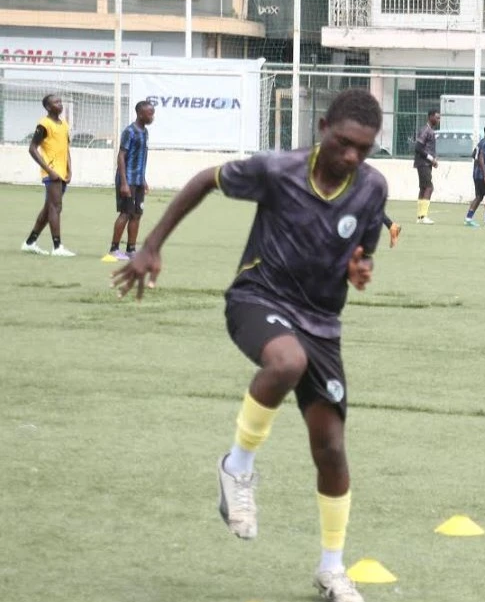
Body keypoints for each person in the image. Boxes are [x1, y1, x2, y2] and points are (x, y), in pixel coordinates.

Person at [112, 89, 390, 602]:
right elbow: (204, 181)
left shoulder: (372, 188)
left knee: (331, 449)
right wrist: (150, 246)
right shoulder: (276, 170)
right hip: (257, 298)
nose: (352, 156)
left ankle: (332, 569)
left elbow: (361, 250)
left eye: (364, 149)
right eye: (345, 143)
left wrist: (360, 265)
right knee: (286, 360)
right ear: (323, 126)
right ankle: (236, 467)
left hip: (322, 322)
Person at [21, 94, 75, 257]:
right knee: (56, 207)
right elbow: (32, 148)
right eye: (55, 102)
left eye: (60, 101)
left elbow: (66, 148)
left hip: (62, 172)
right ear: (48, 107)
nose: (60, 104)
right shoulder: (44, 124)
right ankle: (57, 247)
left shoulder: (64, 124)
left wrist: (69, 169)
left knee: (48, 210)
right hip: (51, 172)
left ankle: (30, 243)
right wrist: (49, 170)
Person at [104, 101, 155, 262]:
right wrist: (124, 183)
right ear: (140, 114)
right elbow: (121, 156)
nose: (152, 117)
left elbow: (139, 157)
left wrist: (143, 179)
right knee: (125, 213)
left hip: (138, 180)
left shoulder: (145, 132)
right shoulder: (129, 131)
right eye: (150, 114)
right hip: (127, 180)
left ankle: (131, 250)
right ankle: (113, 249)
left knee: (137, 214)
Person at [413, 109, 439, 224]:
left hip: (424, 163)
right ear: (430, 117)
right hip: (423, 163)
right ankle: (423, 216)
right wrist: (431, 159)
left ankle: (419, 217)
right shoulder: (426, 130)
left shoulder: (430, 131)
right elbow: (418, 148)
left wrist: (433, 159)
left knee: (423, 188)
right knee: (429, 187)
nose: (438, 120)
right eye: (437, 117)